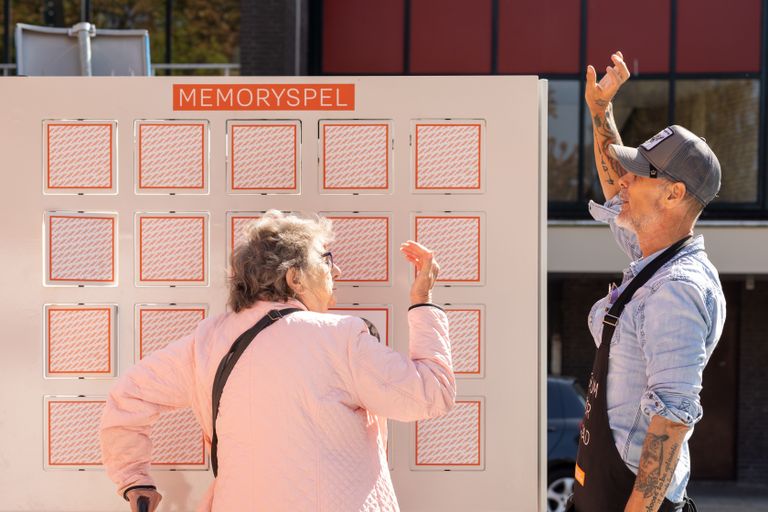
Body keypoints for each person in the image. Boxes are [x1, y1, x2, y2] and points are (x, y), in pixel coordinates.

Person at [100, 210, 455, 512]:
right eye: (326, 259)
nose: (338, 272)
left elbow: (129, 396)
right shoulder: (340, 338)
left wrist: (134, 480)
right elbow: (430, 395)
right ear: (294, 276)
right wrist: (423, 301)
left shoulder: (207, 342)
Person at [568, 52, 726, 512]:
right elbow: (616, 183)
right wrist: (601, 110)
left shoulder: (676, 289)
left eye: (641, 173)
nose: (624, 182)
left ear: (674, 194)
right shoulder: (652, 259)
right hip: (599, 490)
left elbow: (671, 422)